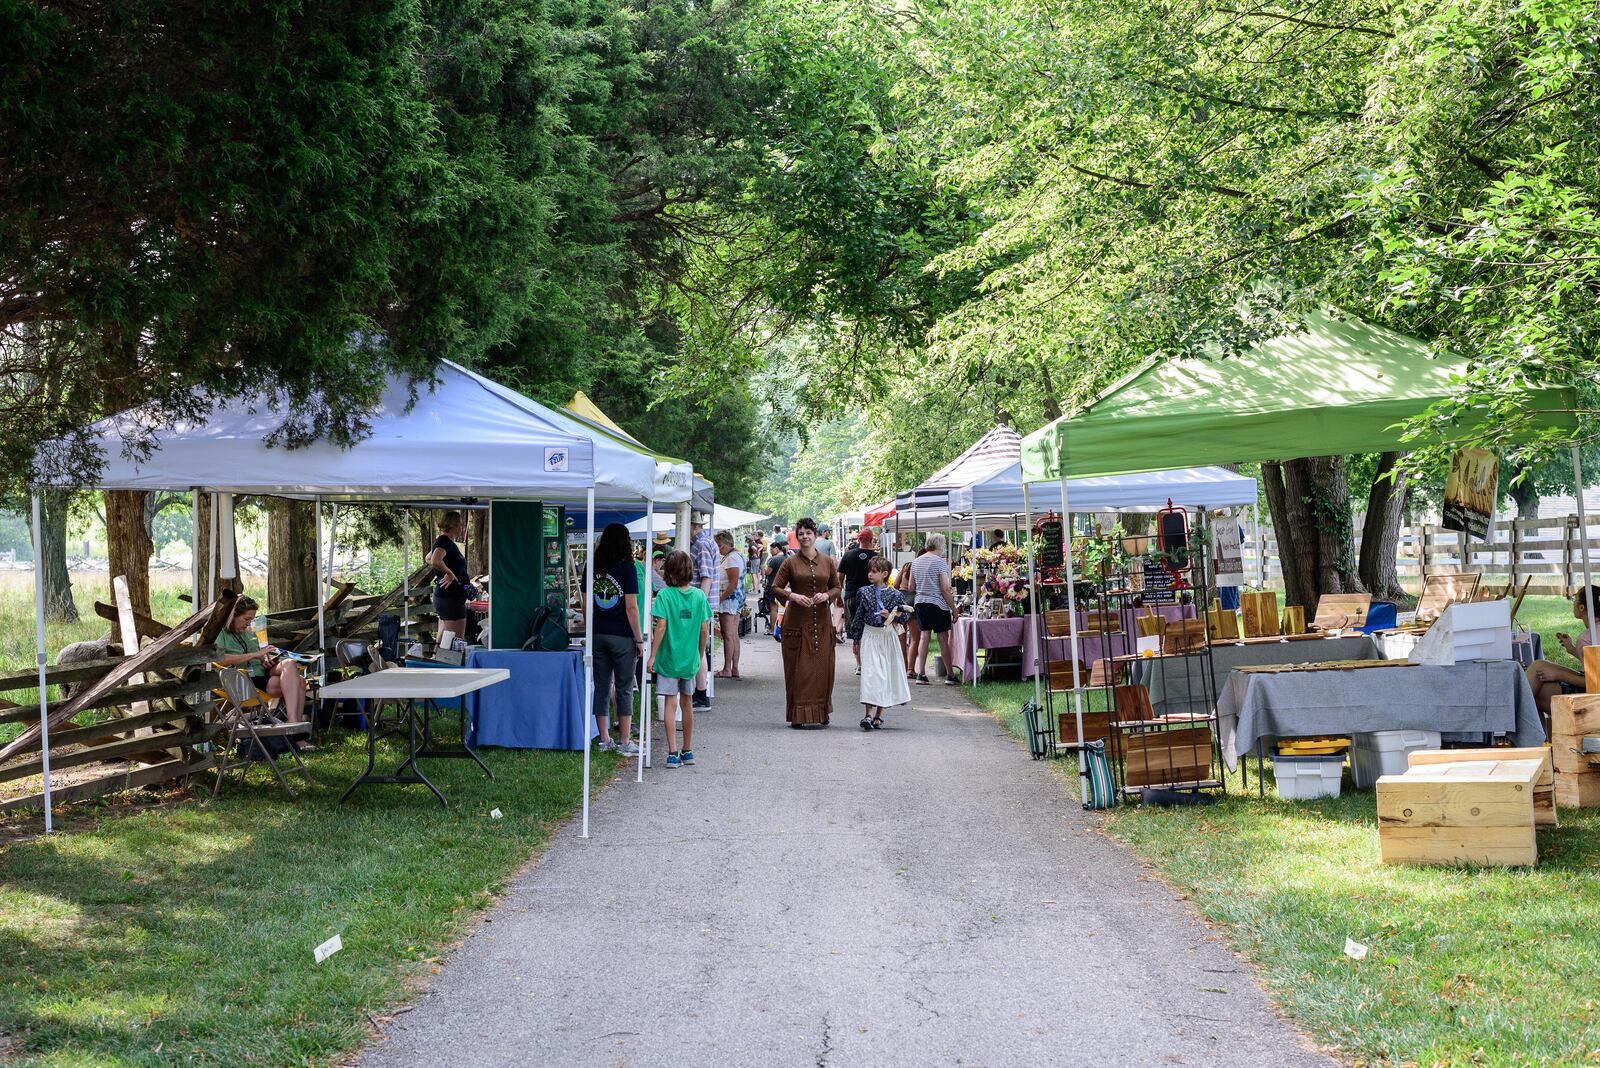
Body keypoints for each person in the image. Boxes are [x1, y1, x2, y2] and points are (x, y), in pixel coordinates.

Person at [769, 517, 842, 727]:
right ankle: (798, 715)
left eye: (808, 533)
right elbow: (775, 588)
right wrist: (793, 596)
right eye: (801, 534)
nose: (804, 537)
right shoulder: (789, 562)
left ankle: (822, 712)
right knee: (798, 669)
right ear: (796, 537)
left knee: (823, 668)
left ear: (815, 535)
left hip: (821, 623)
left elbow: (837, 587)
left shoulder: (827, 562)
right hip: (797, 622)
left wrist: (827, 595)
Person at [216, 596, 311, 742]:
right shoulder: (221, 633)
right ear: (232, 616)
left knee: (289, 663)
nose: (248, 624)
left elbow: (257, 656)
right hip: (244, 678)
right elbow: (221, 659)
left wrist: (266, 659)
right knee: (300, 682)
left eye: (251, 620)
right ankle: (296, 734)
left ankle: (292, 724)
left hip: (262, 671)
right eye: (246, 619)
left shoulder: (247, 632)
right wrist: (256, 655)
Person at [649, 550, 710, 768]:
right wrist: (699, 654)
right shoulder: (699, 596)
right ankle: (688, 750)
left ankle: (672, 752)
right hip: (689, 659)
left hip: (668, 659)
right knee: (687, 704)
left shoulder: (665, 596)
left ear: (669, 572)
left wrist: (652, 656)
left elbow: (661, 626)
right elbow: (704, 630)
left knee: (670, 703)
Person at [589, 523, 644, 756]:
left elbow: (585, 602)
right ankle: (624, 741)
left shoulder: (593, 565)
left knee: (601, 686)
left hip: (598, 632)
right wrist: (639, 639)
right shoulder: (627, 568)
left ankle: (603, 739)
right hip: (622, 635)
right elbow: (631, 607)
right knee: (623, 688)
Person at [851, 556, 912, 729]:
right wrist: (856, 638)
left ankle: (878, 715)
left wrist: (892, 616)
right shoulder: (863, 592)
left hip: (887, 637)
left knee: (884, 674)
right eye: (869, 570)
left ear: (884, 574)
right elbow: (859, 616)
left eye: (874, 571)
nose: (870, 574)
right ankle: (868, 715)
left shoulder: (895, 594)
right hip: (870, 635)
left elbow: (906, 615)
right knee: (870, 674)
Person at [1527, 586, 1600, 719]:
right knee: (1538, 666)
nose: (1573, 603)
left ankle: (1510, 720)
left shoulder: (1586, 638)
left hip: (1593, 701)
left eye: (1575, 599)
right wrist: (1572, 649)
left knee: (1531, 695)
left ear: (1581, 607)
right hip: (1593, 689)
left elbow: (1597, 682)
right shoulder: (1593, 635)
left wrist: (1560, 675)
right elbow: (1595, 664)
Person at [908, 533, 958, 685]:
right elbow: (944, 588)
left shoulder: (916, 562)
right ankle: (950, 674)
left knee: (924, 637)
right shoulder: (940, 562)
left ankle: (921, 673)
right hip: (937, 603)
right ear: (940, 546)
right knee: (943, 638)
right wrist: (954, 609)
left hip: (920, 602)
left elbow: (911, 587)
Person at [427, 510, 471, 646]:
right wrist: (449, 573)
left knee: (443, 642)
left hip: (448, 598)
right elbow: (434, 560)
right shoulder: (444, 541)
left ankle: (435, 664)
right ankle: (447, 666)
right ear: (454, 525)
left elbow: (428, 558)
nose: (461, 528)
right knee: (455, 643)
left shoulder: (444, 542)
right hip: (451, 599)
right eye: (460, 524)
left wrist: (445, 570)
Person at [689, 517, 720, 710]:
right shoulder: (705, 542)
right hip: (702, 604)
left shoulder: (701, 544)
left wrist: (699, 606)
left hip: (699, 605)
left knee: (698, 650)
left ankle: (701, 694)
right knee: (699, 649)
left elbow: (706, 578)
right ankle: (699, 693)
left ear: (692, 526)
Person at [839, 528, 878, 674]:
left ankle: (859, 664)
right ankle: (869, 662)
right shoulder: (876, 557)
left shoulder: (848, 555)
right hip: (871, 597)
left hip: (851, 596)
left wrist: (838, 596)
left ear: (858, 539)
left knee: (856, 630)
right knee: (871, 629)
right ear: (871, 539)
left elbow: (839, 577)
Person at [714, 531, 746, 678]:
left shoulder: (731, 559)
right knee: (733, 634)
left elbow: (732, 583)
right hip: (736, 599)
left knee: (728, 634)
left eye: (720, 546)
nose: (719, 549)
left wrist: (720, 599)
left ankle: (727, 668)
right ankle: (734, 668)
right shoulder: (737, 556)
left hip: (729, 600)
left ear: (728, 544)